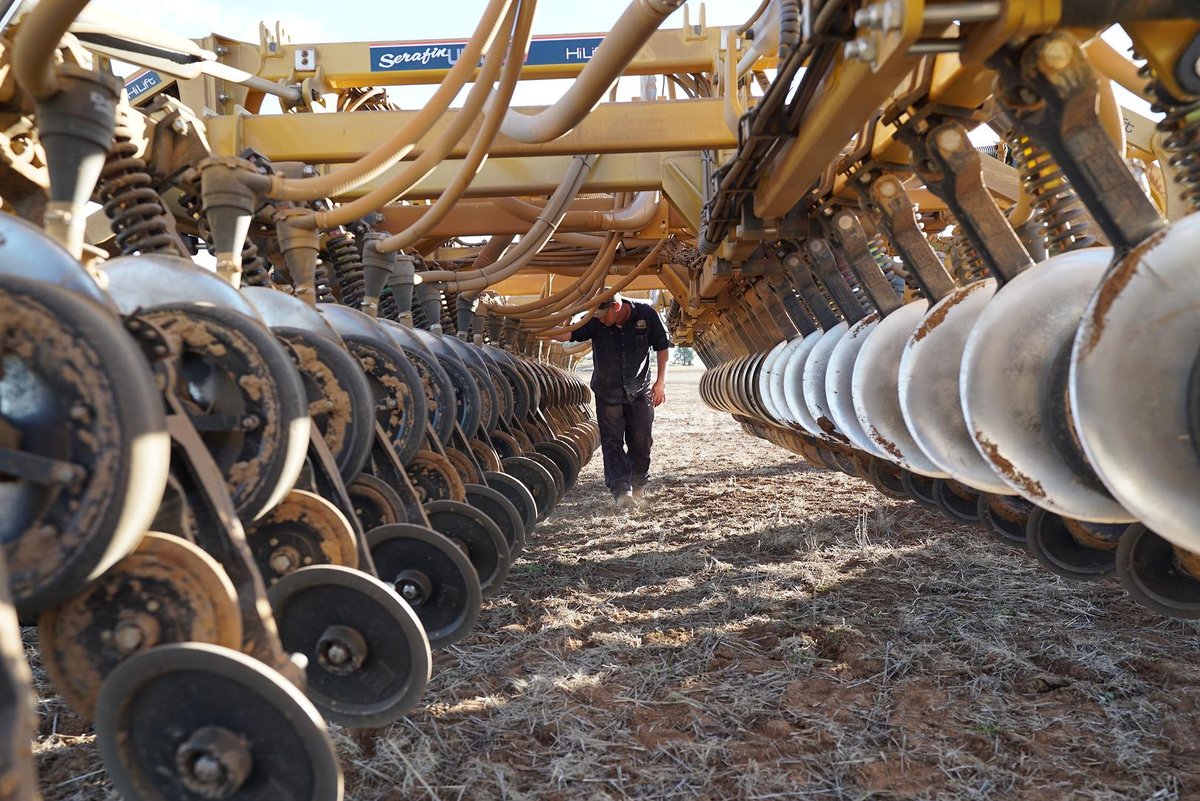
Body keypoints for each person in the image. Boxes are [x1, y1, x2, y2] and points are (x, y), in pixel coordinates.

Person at [554, 292, 670, 509]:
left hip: (639, 391)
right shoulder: (595, 320)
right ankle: (621, 492)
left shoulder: (646, 315)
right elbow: (563, 335)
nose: (600, 320)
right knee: (612, 443)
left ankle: (638, 485)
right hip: (608, 393)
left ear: (616, 307)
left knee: (642, 441)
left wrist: (660, 382)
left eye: (602, 316)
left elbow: (662, 347)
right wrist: (567, 313)